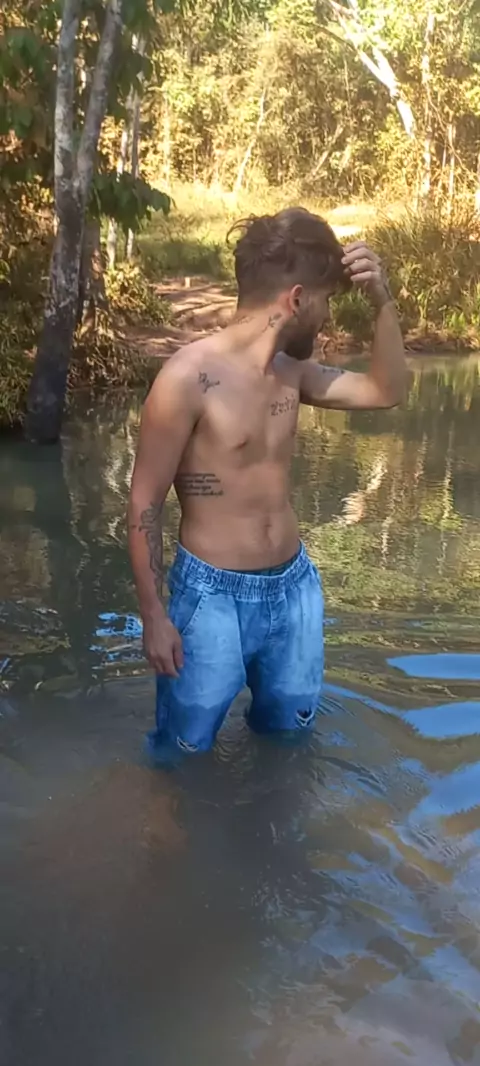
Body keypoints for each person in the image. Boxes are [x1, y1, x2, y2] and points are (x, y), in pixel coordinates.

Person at [128, 207, 405, 759]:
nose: (326, 318)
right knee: (183, 752)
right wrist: (154, 617)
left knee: (289, 742)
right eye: (325, 301)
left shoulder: (291, 374)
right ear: (297, 299)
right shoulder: (187, 378)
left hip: (293, 589)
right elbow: (143, 503)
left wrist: (383, 300)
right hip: (210, 598)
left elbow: (385, 391)